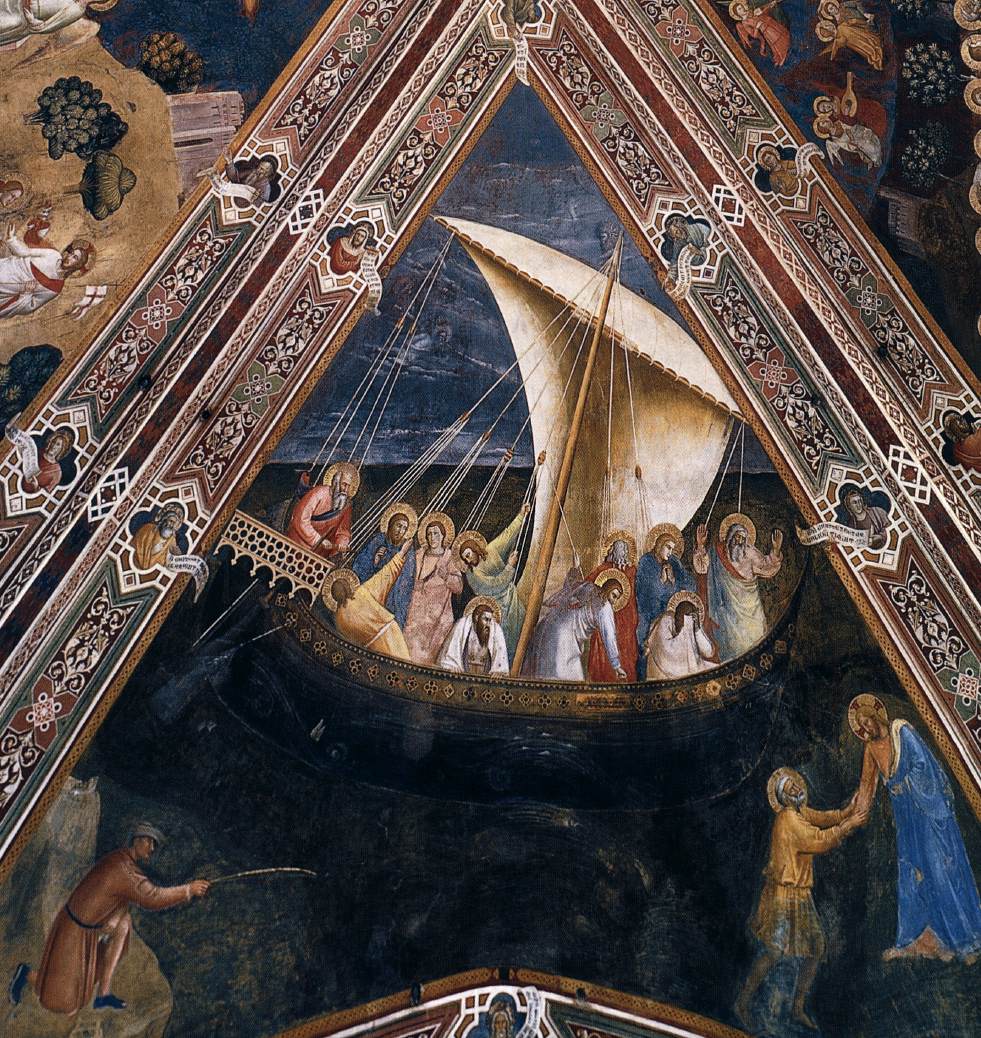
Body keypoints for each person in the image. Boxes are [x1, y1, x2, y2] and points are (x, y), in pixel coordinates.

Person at [8, 823, 209, 1015]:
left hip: (91, 929)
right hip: (73, 930)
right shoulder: (123, 868)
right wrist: (188, 890)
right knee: (63, 1003)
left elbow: (123, 896)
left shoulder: (123, 861)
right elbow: (152, 897)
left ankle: (103, 995)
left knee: (124, 924)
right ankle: (26, 974)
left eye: (154, 844)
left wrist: (116, 918)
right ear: (137, 840)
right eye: (149, 842)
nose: (152, 848)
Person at [848, 694, 981, 962]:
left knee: (939, 870)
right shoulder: (870, 749)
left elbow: (924, 765)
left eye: (867, 721)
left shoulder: (902, 732)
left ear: (876, 716)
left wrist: (905, 784)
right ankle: (918, 939)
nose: (866, 727)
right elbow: (866, 787)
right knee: (911, 872)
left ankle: (965, 940)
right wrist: (850, 816)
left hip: (925, 810)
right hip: (905, 816)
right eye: (861, 725)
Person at [735, 768, 866, 1031]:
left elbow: (822, 819)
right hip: (783, 895)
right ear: (782, 798)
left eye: (795, 785)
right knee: (774, 950)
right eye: (789, 789)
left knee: (816, 947)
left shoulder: (800, 813)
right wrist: (849, 825)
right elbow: (818, 840)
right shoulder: (788, 820)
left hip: (800, 895)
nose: (796, 789)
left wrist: (847, 812)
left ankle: (797, 1007)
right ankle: (742, 1002)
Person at [694, 512, 783, 662]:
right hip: (727, 612)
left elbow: (768, 566)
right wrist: (700, 545)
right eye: (737, 537)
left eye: (743, 538)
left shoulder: (750, 553)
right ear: (729, 537)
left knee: (755, 637)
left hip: (750, 609)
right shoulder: (718, 553)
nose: (739, 541)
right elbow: (702, 567)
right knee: (731, 643)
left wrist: (776, 550)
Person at [523, 565, 628, 682]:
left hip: (552, 625)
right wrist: (616, 666)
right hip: (566, 639)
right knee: (568, 680)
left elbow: (570, 587)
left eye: (616, 598)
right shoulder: (605, 607)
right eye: (614, 595)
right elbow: (609, 636)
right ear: (608, 589)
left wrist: (575, 570)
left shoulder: (590, 587)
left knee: (548, 677)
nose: (614, 600)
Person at [456, 502, 530, 658]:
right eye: (465, 559)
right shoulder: (472, 576)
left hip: (512, 600)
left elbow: (507, 535)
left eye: (468, 555)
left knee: (524, 630)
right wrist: (509, 567)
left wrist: (521, 515)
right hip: (495, 608)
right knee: (504, 640)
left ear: (475, 549)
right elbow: (494, 587)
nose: (468, 560)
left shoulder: (491, 550)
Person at [325, 541, 413, 662]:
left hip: (370, 651)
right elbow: (385, 575)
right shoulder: (361, 593)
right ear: (348, 585)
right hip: (389, 636)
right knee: (402, 665)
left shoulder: (338, 618)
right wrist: (402, 552)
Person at [634, 523, 695, 679]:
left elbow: (689, 584)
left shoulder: (674, 561)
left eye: (672, 549)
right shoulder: (646, 562)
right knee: (644, 642)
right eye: (668, 547)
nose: (670, 552)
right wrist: (661, 581)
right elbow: (645, 594)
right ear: (659, 545)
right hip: (650, 613)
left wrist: (673, 580)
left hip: (671, 612)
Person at [403, 512, 464, 665]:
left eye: (436, 533)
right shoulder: (418, 555)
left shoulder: (449, 558)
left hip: (438, 614)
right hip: (415, 610)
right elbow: (405, 576)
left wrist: (446, 576)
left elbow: (458, 587)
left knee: (428, 654)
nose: (432, 537)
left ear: (443, 536)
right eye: (429, 534)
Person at [0, 222, 94, 319]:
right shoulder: (53, 255)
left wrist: (27, 293)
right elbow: (26, 252)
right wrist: (12, 239)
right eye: (71, 253)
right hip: (7, 268)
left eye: (75, 257)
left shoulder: (56, 287)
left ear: (77, 265)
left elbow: (30, 307)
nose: (69, 257)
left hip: (7, 291)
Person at [352, 503, 418, 629]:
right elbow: (360, 566)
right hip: (371, 590)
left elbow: (407, 579)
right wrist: (375, 561)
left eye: (404, 528)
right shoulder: (378, 540)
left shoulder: (407, 550)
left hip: (391, 595)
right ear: (390, 524)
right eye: (398, 526)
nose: (400, 531)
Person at [587, 530, 639, 682]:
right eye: (618, 550)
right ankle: (601, 679)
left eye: (624, 550)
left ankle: (627, 680)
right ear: (612, 551)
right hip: (605, 619)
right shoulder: (604, 569)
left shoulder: (632, 571)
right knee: (602, 645)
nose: (621, 554)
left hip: (627, 622)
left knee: (627, 650)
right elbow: (587, 584)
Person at [286, 461, 358, 560]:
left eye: (349, 486)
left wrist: (342, 543)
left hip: (318, 554)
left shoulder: (346, 506)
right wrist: (318, 540)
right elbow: (300, 519)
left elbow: (343, 531)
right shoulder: (319, 493)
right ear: (336, 482)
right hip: (298, 544)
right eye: (344, 484)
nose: (346, 490)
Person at [643, 591, 715, 680]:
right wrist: (685, 631)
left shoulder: (690, 625)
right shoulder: (665, 622)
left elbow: (708, 652)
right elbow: (667, 656)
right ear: (677, 615)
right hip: (661, 675)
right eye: (680, 618)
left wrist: (697, 629)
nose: (684, 623)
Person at [437, 596, 509, 675]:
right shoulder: (462, 626)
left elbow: (500, 661)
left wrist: (498, 671)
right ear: (476, 617)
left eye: (490, 620)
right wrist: (452, 666)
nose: (488, 624)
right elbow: (451, 655)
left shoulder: (495, 630)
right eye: (486, 619)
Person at [0, 0, 107, 46]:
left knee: (12, 22)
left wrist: (30, 18)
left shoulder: (76, 10)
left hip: (23, 16)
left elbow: (48, 26)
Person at [731, 0, 790, 66]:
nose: (742, 8)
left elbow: (763, 13)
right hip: (767, 30)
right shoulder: (745, 23)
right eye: (739, 9)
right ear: (737, 13)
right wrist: (757, 27)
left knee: (784, 35)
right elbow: (754, 34)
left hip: (771, 23)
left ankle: (788, 46)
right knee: (778, 41)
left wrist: (770, 6)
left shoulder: (751, 13)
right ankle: (783, 54)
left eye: (741, 7)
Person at [132, 503, 186, 571]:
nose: (171, 525)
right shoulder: (148, 529)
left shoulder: (171, 539)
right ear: (164, 519)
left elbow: (176, 557)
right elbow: (136, 545)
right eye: (171, 521)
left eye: (174, 523)